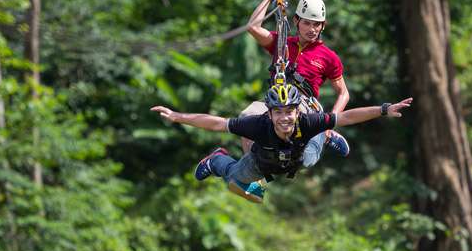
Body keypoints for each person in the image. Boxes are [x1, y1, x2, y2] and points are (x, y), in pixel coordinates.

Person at [151, 84, 412, 203]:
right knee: (234, 178)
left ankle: (327, 136)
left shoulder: (306, 121)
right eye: (279, 112)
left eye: (290, 111)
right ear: (270, 113)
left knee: (311, 155)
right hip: (263, 159)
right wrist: (177, 116)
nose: (285, 118)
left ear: (297, 111)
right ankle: (216, 159)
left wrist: (384, 109)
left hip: (298, 154)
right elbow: (216, 123)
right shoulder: (258, 124)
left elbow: (346, 116)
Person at [240, 0, 351, 167]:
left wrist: (331, 122)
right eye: (307, 23)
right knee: (246, 118)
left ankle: (325, 137)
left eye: (317, 24)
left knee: (304, 160)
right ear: (296, 21)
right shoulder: (281, 42)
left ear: (323, 25)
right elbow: (253, 27)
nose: (312, 29)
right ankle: (254, 172)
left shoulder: (328, 56)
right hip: (276, 102)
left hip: (303, 106)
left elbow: (343, 92)